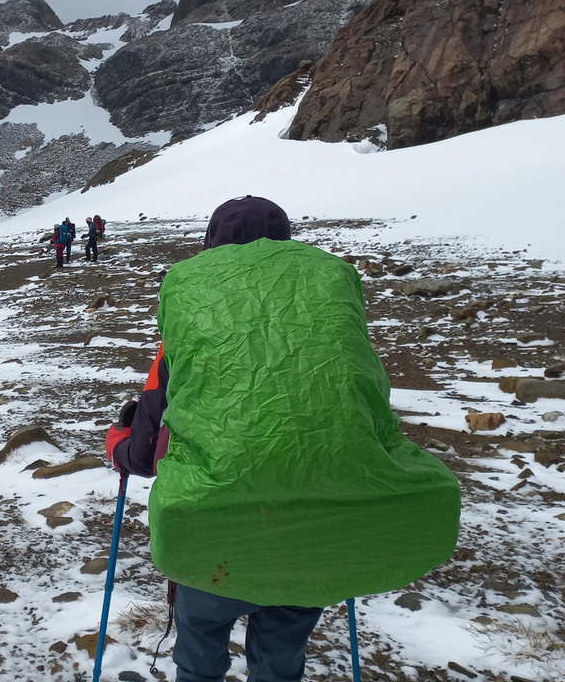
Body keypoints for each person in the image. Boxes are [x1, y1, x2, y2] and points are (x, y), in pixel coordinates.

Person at [105, 195, 460, 682]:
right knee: (282, 653)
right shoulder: (328, 307)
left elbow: (145, 453)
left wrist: (116, 445)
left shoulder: (189, 318)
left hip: (214, 532)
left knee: (201, 639)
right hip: (318, 534)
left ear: (210, 247)